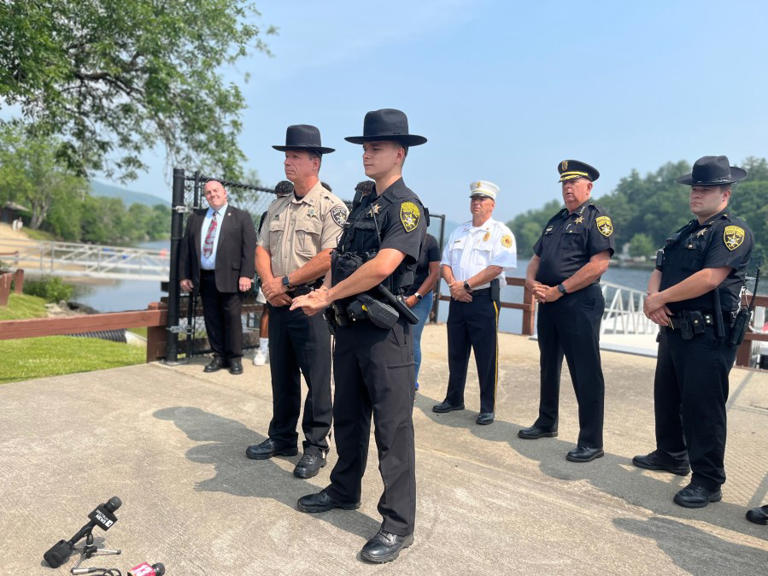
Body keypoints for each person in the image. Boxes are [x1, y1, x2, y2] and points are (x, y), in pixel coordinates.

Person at [290, 108, 426, 564]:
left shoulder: (406, 207)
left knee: (392, 430)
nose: (366, 154)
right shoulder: (364, 203)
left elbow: (384, 266)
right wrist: (328, 295)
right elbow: (341, 258)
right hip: (349, 328)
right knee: (348, 418)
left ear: (399, 153)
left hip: (384, 335)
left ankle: (397, 524)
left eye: (376, 147)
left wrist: (325, 297)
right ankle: (344, 488)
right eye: (365, 147)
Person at [634, 155, 753, 508]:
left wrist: (659, 300)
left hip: (708, 336)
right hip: (673, 330)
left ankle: (708, 479)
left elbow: (709, 278)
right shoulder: (683, 232)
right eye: (694, 188)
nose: (696, 194)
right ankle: (671, 454)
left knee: (703, 408)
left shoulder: (731, 232)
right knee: (667, 398)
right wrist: (653, 297)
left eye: (705, 189)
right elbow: (660, 266)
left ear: (725, 194)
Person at [245, 125, 347, 479]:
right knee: (282, 375)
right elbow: (261, 248)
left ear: (314, 162)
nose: (287, 162)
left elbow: (331, 255)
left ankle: (316, 446)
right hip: (278, 300)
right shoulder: (278, 206)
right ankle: (282, 437)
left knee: (318, 379)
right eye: (286, 156)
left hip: (311, 304)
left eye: (294, 156)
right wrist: (269, 284)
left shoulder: (330, 208)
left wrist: (285, 282)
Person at [519, 160, 614, 463]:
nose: (568, 188)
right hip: (549, 302)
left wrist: (560, 289)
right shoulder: (556, 220)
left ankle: (591, 441)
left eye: (574, 183)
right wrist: (532, 282)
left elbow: (598, 264)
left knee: (585, 372)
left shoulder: (596, 220)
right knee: (549, 365)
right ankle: (547, 422)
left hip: (578, 303)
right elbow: (537, 257)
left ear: (589, 186)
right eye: (564, 183)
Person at [432, 181, 517, 424]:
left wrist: (466, 285)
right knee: (456, 351)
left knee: (486, 355)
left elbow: (497, 267)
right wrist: (454, 286)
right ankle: (454, 398)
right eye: (473, 199)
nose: (476, 203)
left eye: (482, 199)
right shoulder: (459, 231)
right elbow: (445, 263)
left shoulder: (501, 232)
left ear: (492, 205)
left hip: (482, 299)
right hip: (458, 298)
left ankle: (487, 406)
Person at [179, 179, 256, 375]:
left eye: (216, 191)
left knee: (232, 319)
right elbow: (186, 249)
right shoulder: (196, 218)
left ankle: (234, 358)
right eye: (208, 193)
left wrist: (246, 275)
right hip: (203, 277)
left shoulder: (241, 217)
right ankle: (218, 356)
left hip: (231, 277)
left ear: (225, 193)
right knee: (211, 319)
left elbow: (249, 249)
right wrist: (184, 275)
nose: (212, 195)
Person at [404, 232, 440, 390]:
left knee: (412, 339)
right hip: (396, 296)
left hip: (421, 296)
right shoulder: (398, 236)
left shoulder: (430, 241)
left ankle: (412, 381)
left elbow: (435, 274)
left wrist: (417, 296)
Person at [253, 209, 271, 366]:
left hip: (298, 274)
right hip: (269, 274)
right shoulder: (269, 213)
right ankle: (263, 349)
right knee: (267, 310)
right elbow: (261, 247)